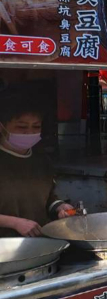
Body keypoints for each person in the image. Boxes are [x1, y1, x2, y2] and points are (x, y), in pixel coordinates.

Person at [0, 91, 74, 237]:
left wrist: (60, 207)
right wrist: (15, 223)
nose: (29, 132)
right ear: (2, 127)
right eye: (21, 127)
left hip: (38, 243)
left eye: (36, 126)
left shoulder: (41, 161)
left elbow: (48, 199)